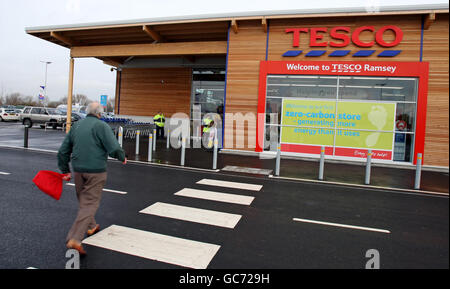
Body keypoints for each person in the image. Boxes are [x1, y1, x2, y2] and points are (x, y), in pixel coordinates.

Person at [57, 102, 127, 255]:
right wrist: (122, 157)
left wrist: (64, 170)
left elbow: (63, 151)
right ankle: (74, 238)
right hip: (96, 171)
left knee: (84, 202)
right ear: (100, 114)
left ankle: (91, 226)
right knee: (89, 204)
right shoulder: (101, 126)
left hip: (78, 170)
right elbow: (113, 147)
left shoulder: (76, 126)